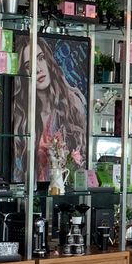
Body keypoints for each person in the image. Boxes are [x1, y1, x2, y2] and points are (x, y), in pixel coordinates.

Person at [11, 37, 89, 181]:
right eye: (28, 66)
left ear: (48, 61)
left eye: (40, 58)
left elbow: (83, 162)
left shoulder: (72, 104)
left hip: (65, 186)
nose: (38, 69)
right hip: (33, 189)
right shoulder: (21, 116)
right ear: (23, 74)